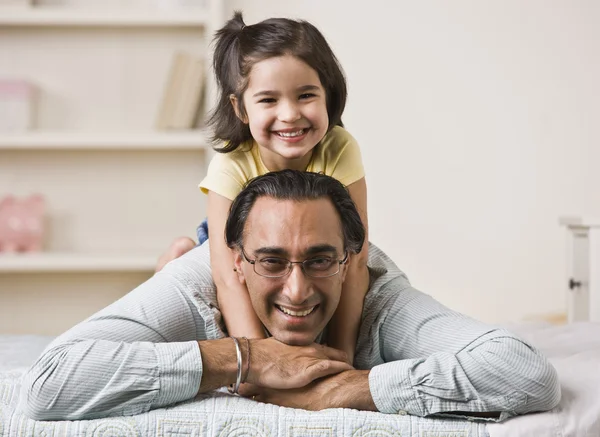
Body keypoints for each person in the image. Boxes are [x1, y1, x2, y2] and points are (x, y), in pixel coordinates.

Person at [20, 170, 560, 421]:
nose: (297, 290)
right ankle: (169, 255)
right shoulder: (198, 282)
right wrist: (247, 357)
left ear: (350, 260)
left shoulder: (376, 290)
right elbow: (48, 383)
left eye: (321, 260)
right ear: (235, 261)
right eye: (272, 261)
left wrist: (346, 389)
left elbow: (525, 372)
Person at [155, 11, 369, 364]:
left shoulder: (340, 147)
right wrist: (261, 360)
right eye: (269, 100)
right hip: (234, 252)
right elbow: (227, 275)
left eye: (305, 96)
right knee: (199, 287)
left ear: (328, 96)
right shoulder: (230, 164)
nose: (289, 114)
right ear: (240, 109)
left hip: (303, 256)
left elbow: (357, 257)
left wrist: (343, 354)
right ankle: (173, 259)